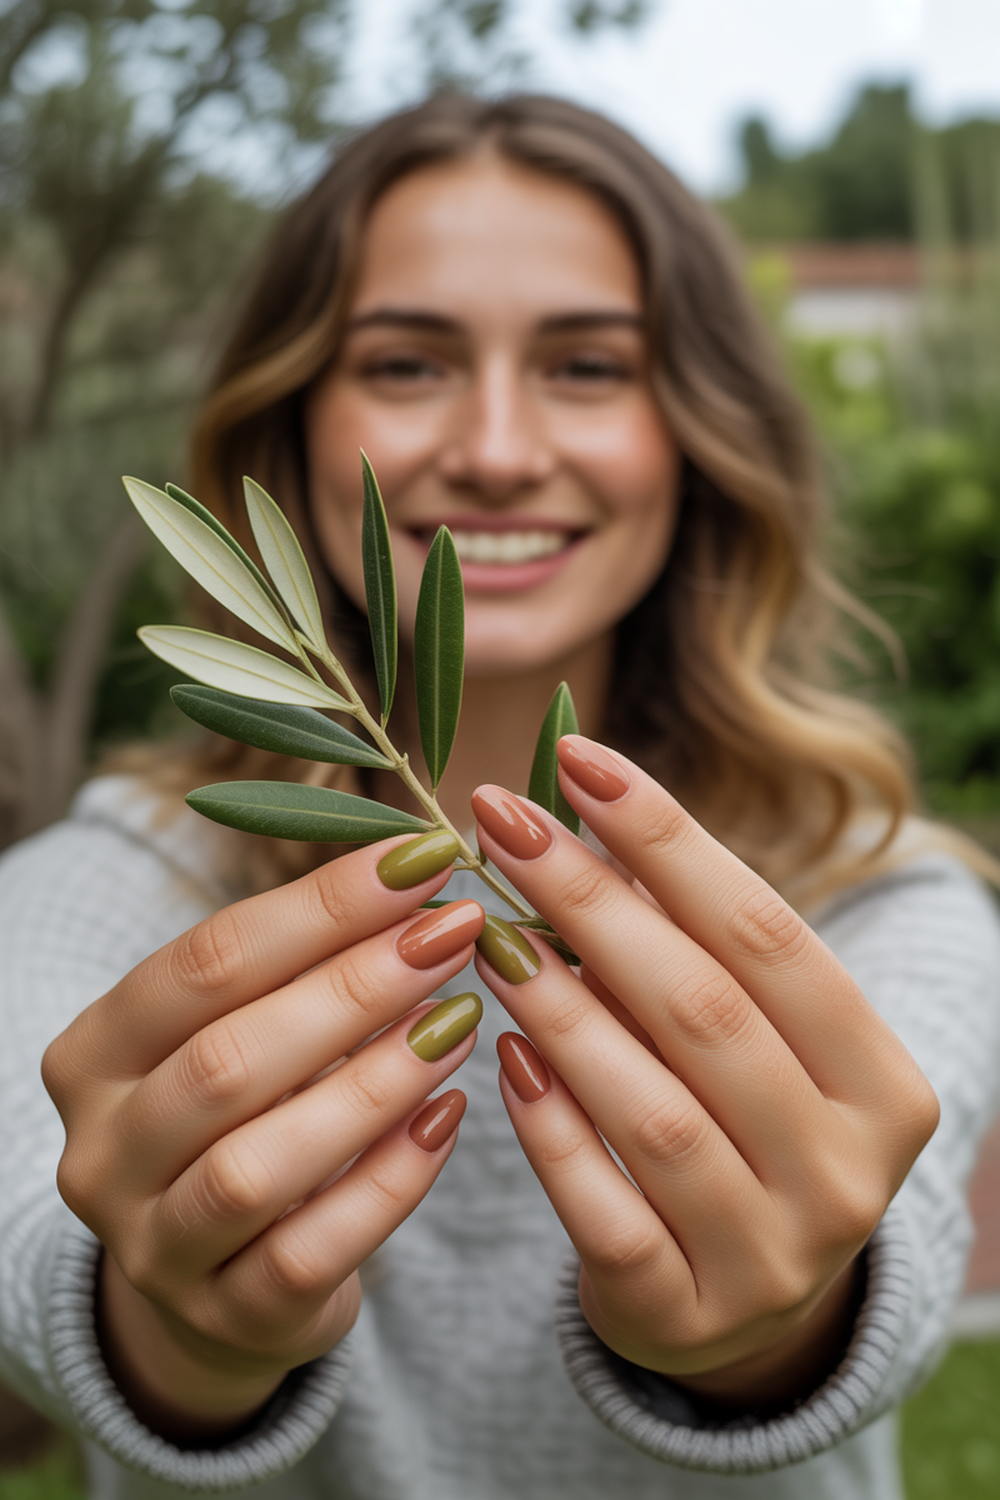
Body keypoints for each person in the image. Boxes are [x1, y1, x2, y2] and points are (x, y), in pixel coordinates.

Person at [1, 92, 998, 1500]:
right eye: (407, 365)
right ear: (289, 430)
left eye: (588, 366)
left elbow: (900, 1272)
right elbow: (29, 1263)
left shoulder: (875, 895)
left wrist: (778, 1333)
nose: (498, 446)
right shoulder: (113, 886)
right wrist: (178, 1335)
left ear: (698, 427)